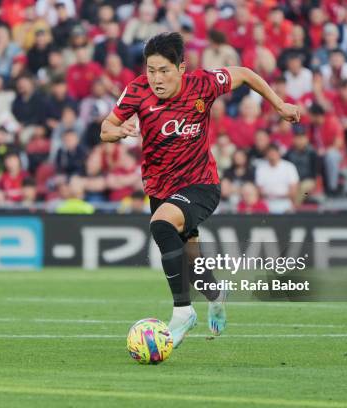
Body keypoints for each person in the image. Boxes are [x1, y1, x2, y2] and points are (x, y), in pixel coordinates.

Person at [100, 32, 300, 347]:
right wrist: (118, 131)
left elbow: (245, 74)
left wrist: (279, 105)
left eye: (163, 70)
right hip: (159, 186)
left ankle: (183, 312)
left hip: (201, 183)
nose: (156, 78)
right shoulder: (136, 91)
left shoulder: (203, 84)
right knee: (190, 259)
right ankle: (217, 295)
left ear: (181, 68)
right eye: (151, 70)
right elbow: (106, 126)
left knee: (162, 224)